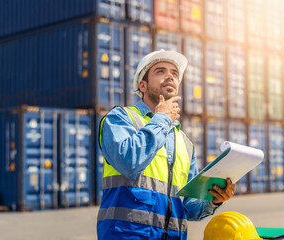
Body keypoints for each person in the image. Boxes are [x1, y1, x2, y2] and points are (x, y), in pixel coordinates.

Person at [97, 49, 235, 239]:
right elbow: (128, 162)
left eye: (175, 73)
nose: (170, 75)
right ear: (142, 85)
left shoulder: (184, 143)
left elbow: (188, 206)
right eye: (160, 71)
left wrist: (213, 199)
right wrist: (162, 118)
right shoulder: (120, 118)